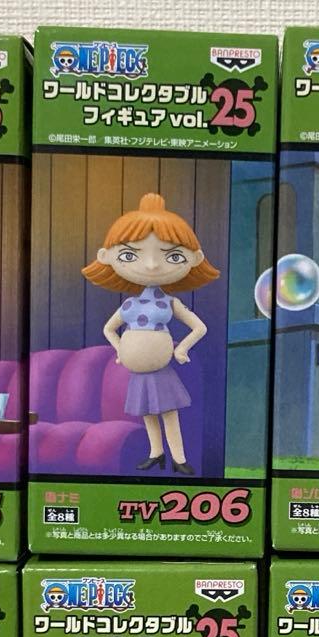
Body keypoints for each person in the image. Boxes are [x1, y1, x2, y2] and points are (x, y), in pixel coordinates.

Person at [82, 194, 220, 475]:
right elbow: (109, 328)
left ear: (195, 259)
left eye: (172, 256)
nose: (152, 265)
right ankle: (156, 453)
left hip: (161, 370)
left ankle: (179, 458)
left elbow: (199, 327)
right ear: (106, 257)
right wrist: (121, 350)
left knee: (169, 412)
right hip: (138, 372)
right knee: (147, 413)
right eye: (130, 255)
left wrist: (181, 349)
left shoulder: (169, 302)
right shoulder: (129, 305)